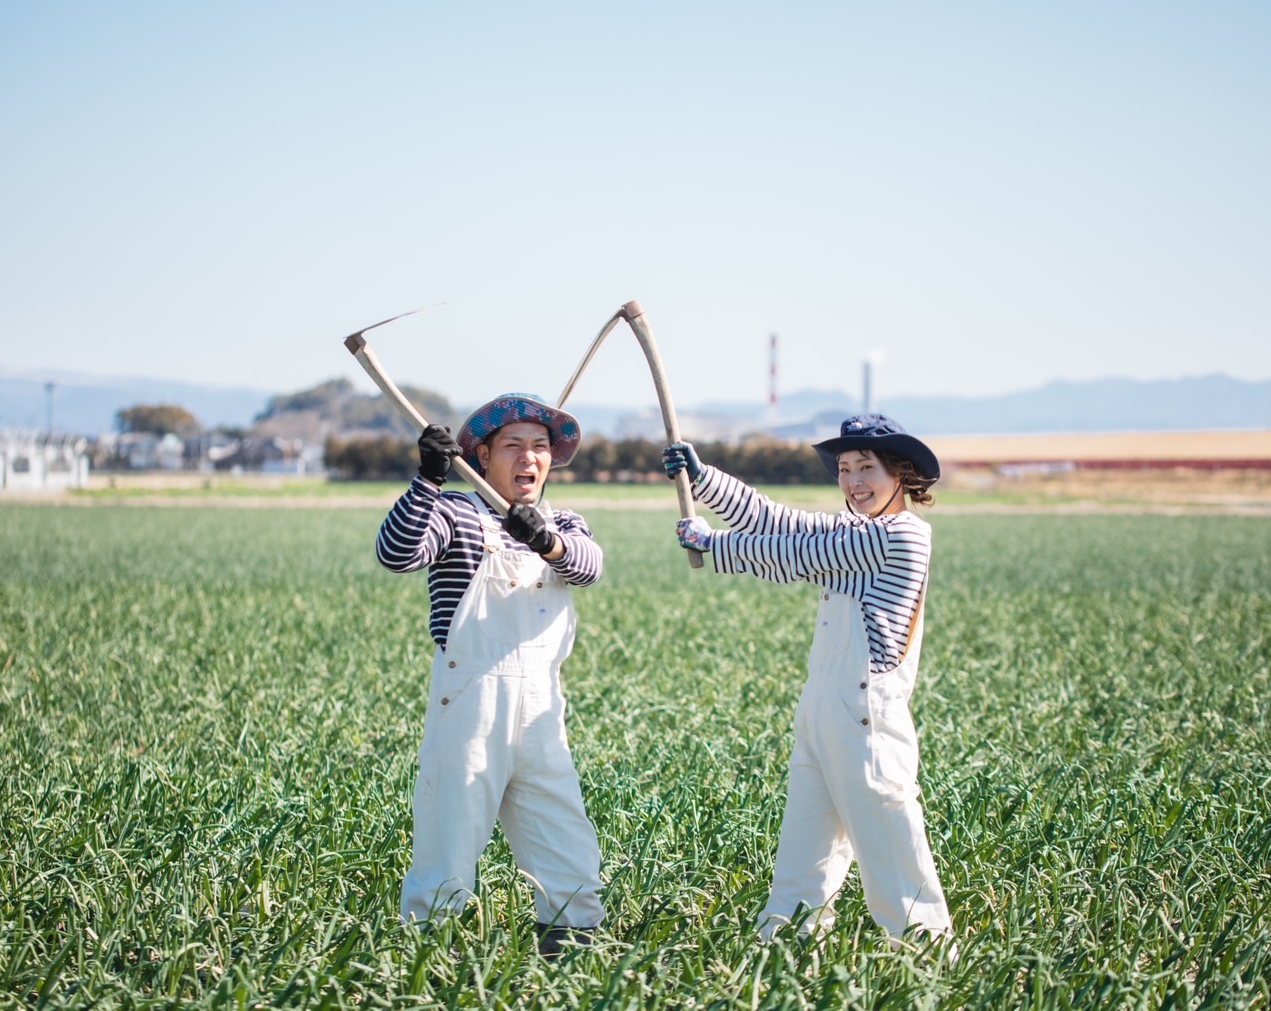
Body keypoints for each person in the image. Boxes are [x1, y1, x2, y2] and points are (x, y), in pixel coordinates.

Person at [662, 414, 954, 949]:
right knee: (804, 858)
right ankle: (783, 957)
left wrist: (713, 544)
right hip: (822, 713)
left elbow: (797, 555)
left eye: (867, 467)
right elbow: (780, 521)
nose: (853, 481)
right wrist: (705, 479)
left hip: (866, 719)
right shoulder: (858, 529)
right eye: (845, 469)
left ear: (902, 474)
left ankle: (930, 960)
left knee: (894, 855)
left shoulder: (900, 536)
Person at [377, 392, 605, 958]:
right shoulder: (456, 512)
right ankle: (425, 966)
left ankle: (570, 962)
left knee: (566, 847)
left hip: (542, 713)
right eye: (514, 446)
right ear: (480, 455)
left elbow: (588, 566)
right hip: (471, 701)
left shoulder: (564, 522)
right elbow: (397, 553)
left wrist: (543, 539)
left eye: (540, 447)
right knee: (447, 846)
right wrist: (427, 479)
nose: (529, 458)